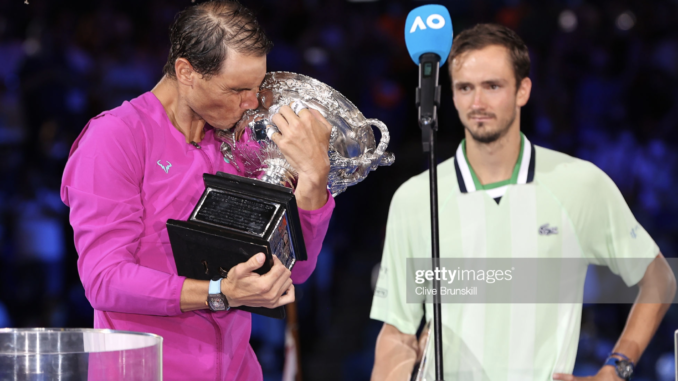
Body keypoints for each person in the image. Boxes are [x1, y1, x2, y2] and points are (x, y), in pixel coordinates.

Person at [369, 24, 676, 381]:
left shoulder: (579, 184)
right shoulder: (414, 198)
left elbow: (659, 279)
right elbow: (397, 332)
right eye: (465, 88)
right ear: (451, 95)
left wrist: (615, 369)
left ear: (523, 91)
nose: (477, 103)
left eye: (492, 86)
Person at [59, 1, 335, 379]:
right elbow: (105, 279)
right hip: (144, 370)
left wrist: (314, 178)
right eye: (237, 89)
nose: (252, 103)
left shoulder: (242, 144)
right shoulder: (116, 138)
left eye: (257, 88)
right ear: (186, 72)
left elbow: (294, 269)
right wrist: (220, 292)